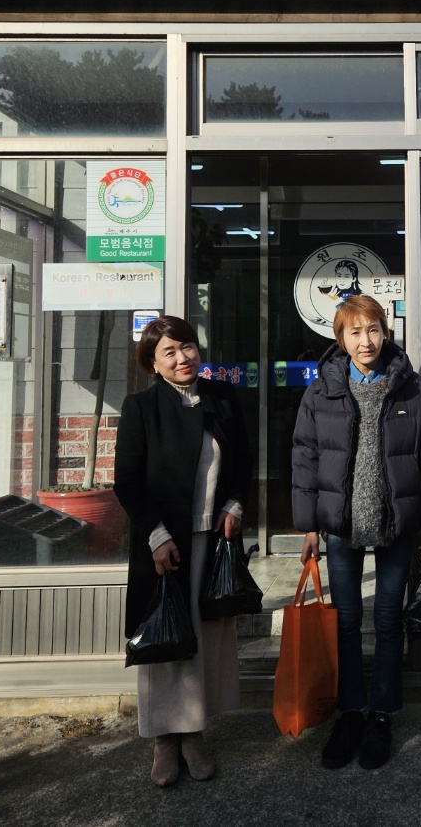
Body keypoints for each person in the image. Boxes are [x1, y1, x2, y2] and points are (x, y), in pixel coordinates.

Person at [292, 293, 421, 771]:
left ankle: (381, 713)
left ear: (386, 332)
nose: (366, 341)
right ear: (340, 338)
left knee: (386, 622)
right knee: (344, 623)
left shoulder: (412, 389)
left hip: (395, 524)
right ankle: (351, 713)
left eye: (373, 329)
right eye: (355, 332)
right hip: (339, 524)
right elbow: (304, 456)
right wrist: (309, 525)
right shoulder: (321, 390)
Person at [114, 315, 251, 787]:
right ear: (152, 364)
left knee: (204, 642)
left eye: (187, 347)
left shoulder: (223, 398)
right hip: (164, 544)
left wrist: (234, 504)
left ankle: (193, 732)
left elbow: (243, 462)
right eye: (169, 352)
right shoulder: (141, 408)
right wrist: (155, 534)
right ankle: (162, 741)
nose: (182, 358)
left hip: (211, 540)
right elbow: (127, 482)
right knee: (166, 641)